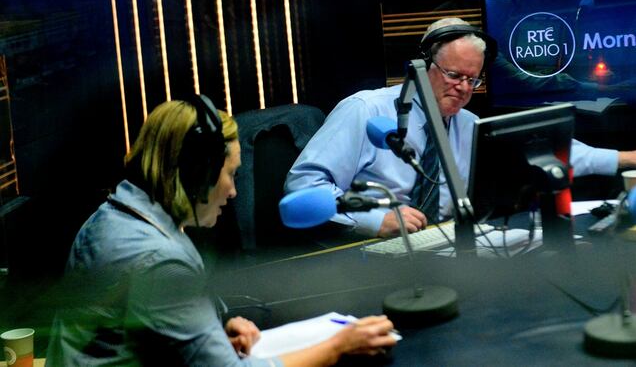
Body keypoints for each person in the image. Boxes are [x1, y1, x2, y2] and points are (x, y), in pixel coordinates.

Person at [46, 96, 396, 366]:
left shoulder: (112, 217)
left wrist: (207, 336)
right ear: (198, 174)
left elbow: (133, 336)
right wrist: (340, 345)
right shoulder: (158, 261)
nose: (232, 191)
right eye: (230, 174)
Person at [285, 18, 636, 238]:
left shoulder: (468, 125)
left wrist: (630, 158)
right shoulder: (364, 111)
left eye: (473, 80)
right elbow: (305, 188)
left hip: (448, 243)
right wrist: (374, 219)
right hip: (371, 251)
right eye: (455, 75)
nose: (464, 89)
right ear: (420, 68)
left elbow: (551, 148)